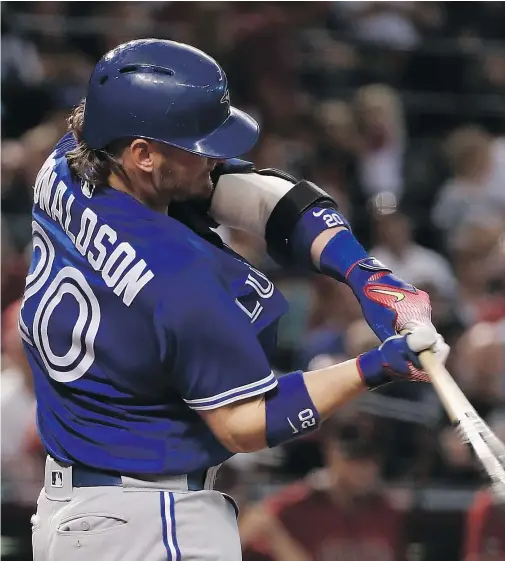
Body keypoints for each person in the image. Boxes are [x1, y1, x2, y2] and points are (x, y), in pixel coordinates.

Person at [20, 39, 447, 561]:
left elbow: (254, 194)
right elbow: (245, 424)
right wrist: (375, 366)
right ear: (143, 154)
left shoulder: (66, 166)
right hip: (151, 525)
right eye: (197, 145)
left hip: (77, 510)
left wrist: (364, 273)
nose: (216, 155)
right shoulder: (180, 280)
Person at [240, 410, 408, 561]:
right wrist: (277, 536)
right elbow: (243, 538)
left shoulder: (389, 511)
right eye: (354, 459)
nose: (364, 469)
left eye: (370, 459)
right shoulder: (291, 507)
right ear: (331, 452)